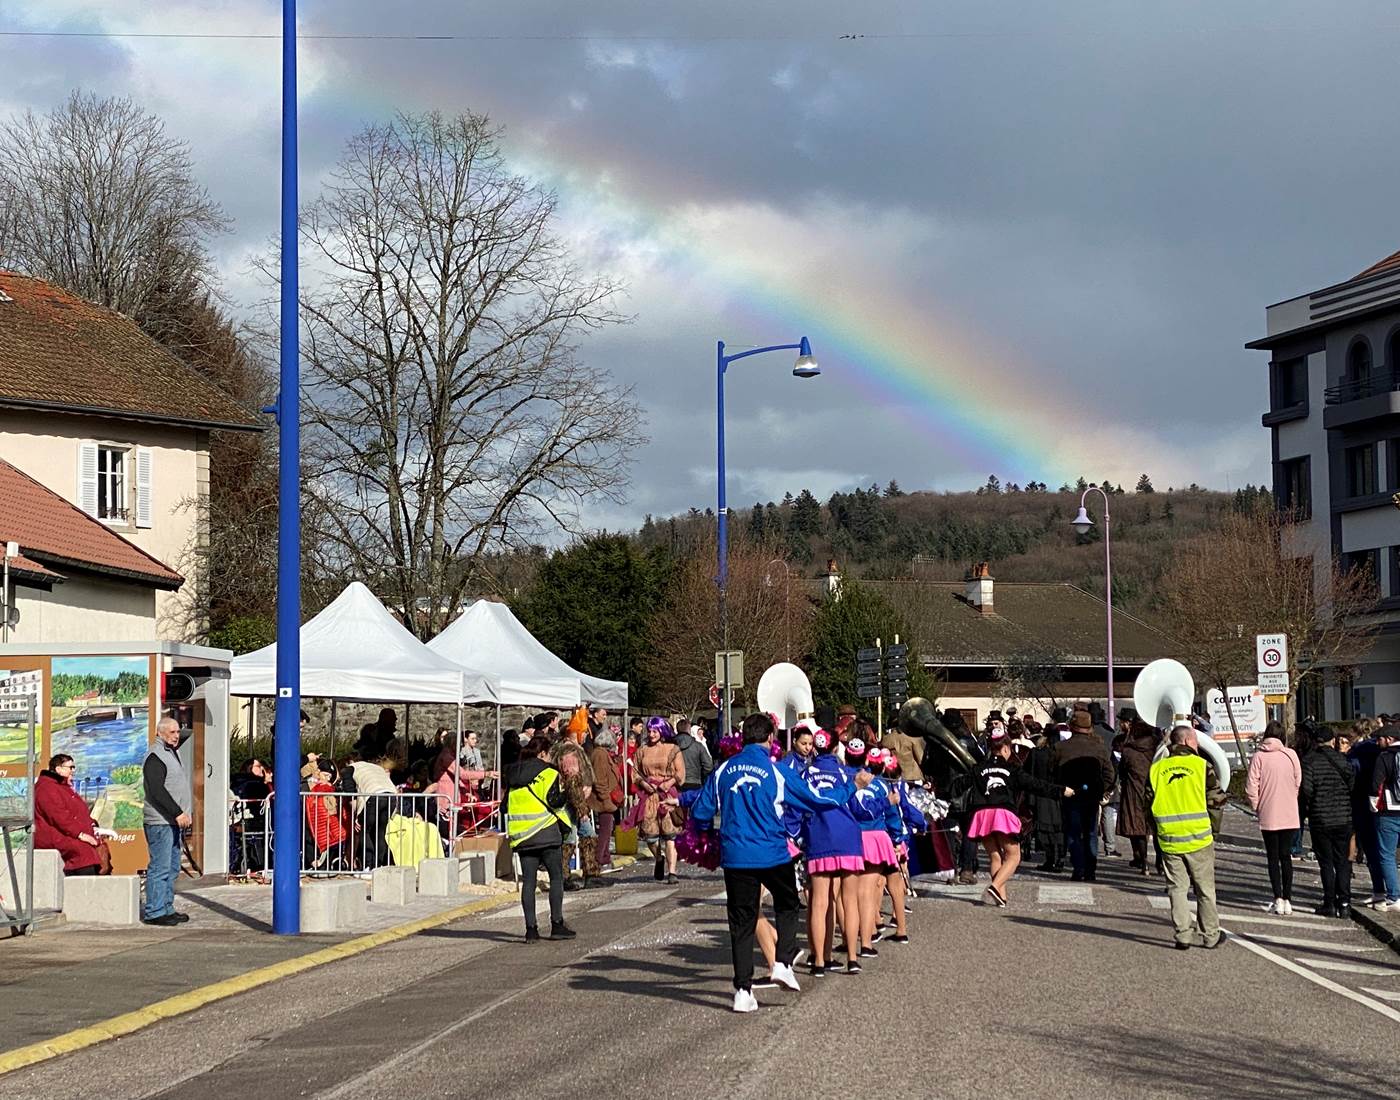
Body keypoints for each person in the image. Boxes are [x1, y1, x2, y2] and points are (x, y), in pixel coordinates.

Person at [690, 712, 872, 1012]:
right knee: (788, 903)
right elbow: (818, 800)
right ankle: (783, 962)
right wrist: (853, 786)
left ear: (743, 737)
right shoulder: (776, 772)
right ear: (770, 738)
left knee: (742, 923)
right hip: (772, 853)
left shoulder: (723, 770)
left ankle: (743, 990)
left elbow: (700, 812)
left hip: (736, 857)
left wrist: (707, 834)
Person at [967, 729, 1073, 906]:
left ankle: (1001, 897)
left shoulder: (978, 768)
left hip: (982, 814)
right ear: (1006, 748)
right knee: (1014, 856)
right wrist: (1061, 790)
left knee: (995, 856)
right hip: (1002, 813)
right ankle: (995, 886)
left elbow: (960, 784)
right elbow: (1035, 784)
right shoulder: (1012, 769)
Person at [793, 729, 866, 977]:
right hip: (847, 839)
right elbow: (858, 808)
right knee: (849, 900)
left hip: (819, 839)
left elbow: (797, 808)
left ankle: (819, 962)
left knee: (819, 902)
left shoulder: (805, 774)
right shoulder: (846, 773)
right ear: (835, 748)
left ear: (815, 747)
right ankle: (852, 958)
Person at [1148, 726, 1222, 950]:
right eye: (1196, 741)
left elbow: (1147, 803)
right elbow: (1216, 801)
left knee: (1177, 888)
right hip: (1199, 837)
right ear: (1188, 741)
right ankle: (1210, 935)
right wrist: (1214, 830)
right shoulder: (1202, 766)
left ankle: (1183, 935)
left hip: (1170, 838)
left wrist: (1157, 831)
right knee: (1205, 889)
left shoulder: (1156, 769)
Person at [505, 734, 576, 942]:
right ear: (542, 753)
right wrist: (568, 789)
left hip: (523, 837)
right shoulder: (549, 773)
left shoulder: (513, 775)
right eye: (550, 754)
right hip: (546, 833)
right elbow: (555, 801)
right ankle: (557, 924)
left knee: (529, 882)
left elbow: (504, 807)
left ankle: (531, 930)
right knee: (556, 877)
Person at [1246, 720, 1302, 915]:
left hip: (1268, 812)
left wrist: (1257, 806)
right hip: (1289, 811)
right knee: (1286, 856)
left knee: (1273, 856)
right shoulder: (1291, 755)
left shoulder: (1259, 757)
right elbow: (1298, 781)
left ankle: (1277, 897)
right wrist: (1291, 797)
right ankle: (1288, 899)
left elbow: (1251, 786)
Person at [1055, 706, 1116, 882]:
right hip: (1092, 796)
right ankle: (1090, 870)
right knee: (1090, 832)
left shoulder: (1061, 747)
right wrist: (1101, 789)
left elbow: (1053, 772)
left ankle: (1078, 868)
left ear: (1072, 727)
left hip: (1070, 795)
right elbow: (1110, 774)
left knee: (1073, 832)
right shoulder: (1100, 748)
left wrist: (1061, 788)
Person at [1300, 724, 1355, 917]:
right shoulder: (1343, 760)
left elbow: (1306, 791)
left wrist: (1308, 808)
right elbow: (1352, 786)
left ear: (1316, 741)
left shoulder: (1309, 761)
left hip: (1320, 818)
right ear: (1333, 741)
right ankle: (1345, 903)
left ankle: (1329, 903)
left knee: (1326, 862)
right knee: (1343, 861)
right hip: (1343, 817)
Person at [142, 717, 192, 926]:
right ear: (160, 733)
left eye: (177, 732)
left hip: (172, 822)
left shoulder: (172, 752)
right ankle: (154, 912)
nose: (176, 736)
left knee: (172, 868)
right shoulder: (155, 756)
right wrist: (177, 812)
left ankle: (166, 907)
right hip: (160, 821)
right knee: (160, 868)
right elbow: (156, 791)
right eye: (172, 732)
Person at [34, 754, 105, 875]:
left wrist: (93, 826)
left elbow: (79, 812)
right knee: (83, 853)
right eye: (70, 767)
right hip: (56, 836)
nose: (73, 770)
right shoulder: (46, 788)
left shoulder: (62, 786)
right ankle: (83, 885)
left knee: (92, 851)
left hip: (67, 833)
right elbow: (59, 816)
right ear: (58, 769)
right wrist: (80, 834)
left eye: (74, 767)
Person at [636, 717, 686, 883]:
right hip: (650, 797)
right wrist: (643, 783)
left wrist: (668, 783)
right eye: (649, 731)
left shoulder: (673, 749)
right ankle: (658, 857)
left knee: (670, 836)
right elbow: (634, 773)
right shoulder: (642, 750)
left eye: (655, 731)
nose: (651, 734)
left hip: (667, 796)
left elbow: (681, 773)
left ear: (662, 731)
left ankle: (672, 872)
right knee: (650, 837)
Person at [1117, 716, 1162, 873]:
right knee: (1157, 828)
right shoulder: (1158, 748)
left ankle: (1143, 862)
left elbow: (1122, 771)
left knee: (1138, 828)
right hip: (1156, 790)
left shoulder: (1128, 750)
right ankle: (1160, 863)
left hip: (1134, 792)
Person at [1349, 724, 1388, 906]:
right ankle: (1392, 891)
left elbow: (1351, 774)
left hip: (1362, 804)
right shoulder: (1387, 751)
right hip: (1388, 804)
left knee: (1372, 851)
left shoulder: (1358, 752)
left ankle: (1379, 889)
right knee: (1387, 851)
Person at [1369, 725, 1400, 912]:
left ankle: (1394, 896)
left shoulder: (1385, 757)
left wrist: (1372, 804)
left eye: (1379, 739)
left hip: (1389, 810)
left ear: (1389, 739)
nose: (1377, 742)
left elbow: (1376, 784)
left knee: (1387, 855)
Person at [1024, 729, 1064, 873]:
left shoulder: (1036, 753)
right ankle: (1059, 859)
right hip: (1059, 794)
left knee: (1044, 830)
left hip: (1041, 795)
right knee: (1059, 829)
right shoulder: (1061, 753)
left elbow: (1027, 773)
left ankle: (1050, 859)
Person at [588, 729, 623, 872]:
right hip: (603, 798)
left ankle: (605, 857)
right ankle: (600, 858)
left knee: (607, 828)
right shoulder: (600, 755)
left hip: (607, 797)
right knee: (605, 830)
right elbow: (600, 779)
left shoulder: (602, 753)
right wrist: (605, 799)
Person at [675, 718, 715, 797]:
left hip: (675, 783)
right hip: (694, 783)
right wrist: (701, 775)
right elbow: (709, 766)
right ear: (689, 730)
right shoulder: (698, 746)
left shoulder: (670, 745)